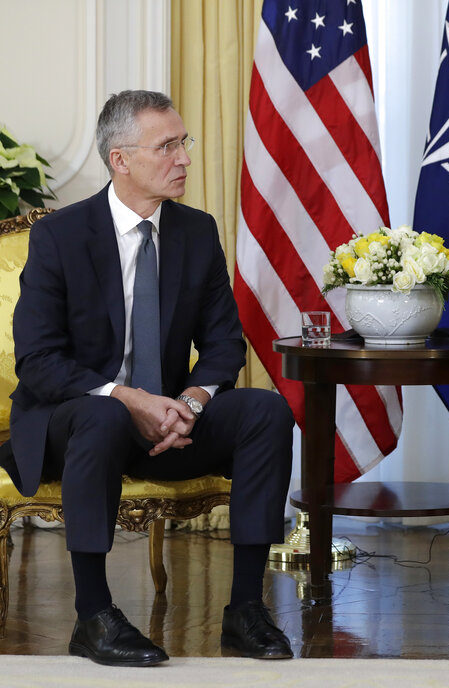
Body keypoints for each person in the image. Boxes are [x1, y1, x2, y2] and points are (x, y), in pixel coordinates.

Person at [5, 90, 294, 666]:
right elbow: (37, 360)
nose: (183, 157)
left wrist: (190, 402)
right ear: (120, 159)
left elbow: (223, 344)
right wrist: (129, 398)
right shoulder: (61, 236)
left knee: (266, 410)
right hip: (78, 422)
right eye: (166, 146)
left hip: (168, 423)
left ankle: (245, 608)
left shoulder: (196, 231)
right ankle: (93, 615)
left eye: (184, 142)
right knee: (104, 414)